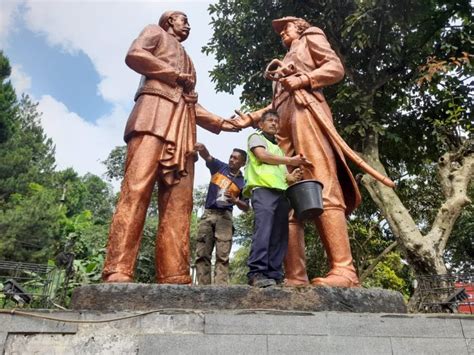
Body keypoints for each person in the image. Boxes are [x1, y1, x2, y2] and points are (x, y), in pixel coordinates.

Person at [102, 11, 239, 284]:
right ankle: (118, 268)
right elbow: (135, 54)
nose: (187, 24)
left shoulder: (189, 60)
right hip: (152, 117)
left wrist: (224, 123)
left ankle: (173, 271)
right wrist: (174, 74)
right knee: (136, 189)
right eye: (182, 19)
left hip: (183, 130)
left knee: (180, 201)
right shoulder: (156, 32)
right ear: (169, 22)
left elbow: (188, 102)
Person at [233, 17, 362, 287]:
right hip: (284, 123)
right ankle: (295, 275)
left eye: (286, 27)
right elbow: (276, 105)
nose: (282, 32)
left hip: (307, 111)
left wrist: (305, 78)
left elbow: (334, 68)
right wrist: (251, 117)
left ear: (300, 26)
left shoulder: (311, 37)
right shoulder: (281, 64)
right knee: (288, 195)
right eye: (280, 31)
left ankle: (344, 270)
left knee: (320, 181)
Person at [245, 110, 311, 287]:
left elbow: (284, 177)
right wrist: (291, 161)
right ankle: (256, 272)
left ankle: (274, 273)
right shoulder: (256, 138)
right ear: (261, 124)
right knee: (264, 230)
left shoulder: (278, 149)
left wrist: (293, 176)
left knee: (279, 234)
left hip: (280, 193)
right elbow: (262, 156)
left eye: (276, 121)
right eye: (270, 121)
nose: (274, 123)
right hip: (263, 190)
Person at [194, 143, 249, 285]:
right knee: (202, 253)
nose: (232, 160)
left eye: (236, 158)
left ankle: (220, 288)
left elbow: (246, 207)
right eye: (231, 157)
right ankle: (202, 289)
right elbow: (207, 156)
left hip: (225, 217)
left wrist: (236, 200)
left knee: (222, 255)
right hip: (208, 214)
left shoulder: (243, 182)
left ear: (242, 163)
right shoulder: (219, 167)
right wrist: (202, 148)